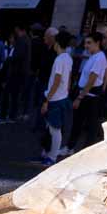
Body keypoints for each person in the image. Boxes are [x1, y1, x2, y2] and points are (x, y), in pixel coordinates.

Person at [37, 30, 74, 166]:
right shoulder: (68, 58)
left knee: (54, 129)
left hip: (55, 99)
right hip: (62, 97)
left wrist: (47, 100)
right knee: (52, 128)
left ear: (57, 43)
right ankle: (48, 153)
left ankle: (52, 157)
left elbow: (57, 80)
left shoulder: (59, 59)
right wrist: (66, 92)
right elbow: (69, 78)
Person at [67, 31, 107, 154]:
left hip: (89, 97)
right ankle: (70, 147)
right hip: (87, 94)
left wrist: (80, 97)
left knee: (90, 125)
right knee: (79, 122)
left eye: (89, 43)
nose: (86, 46)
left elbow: (92, 79)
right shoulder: (94, 56)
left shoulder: (99, 58)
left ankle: (84, 151)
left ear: (97, 43)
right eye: (85, 43)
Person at [0, 24, 31, 124]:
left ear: (18, 29)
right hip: (19, 73)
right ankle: (11, 116)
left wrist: (8, 60)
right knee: (14, 96)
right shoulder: (26, 40)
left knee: (7, 94)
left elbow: (16, 58)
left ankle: (3, 116)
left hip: (15, 73)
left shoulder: (21, 41)